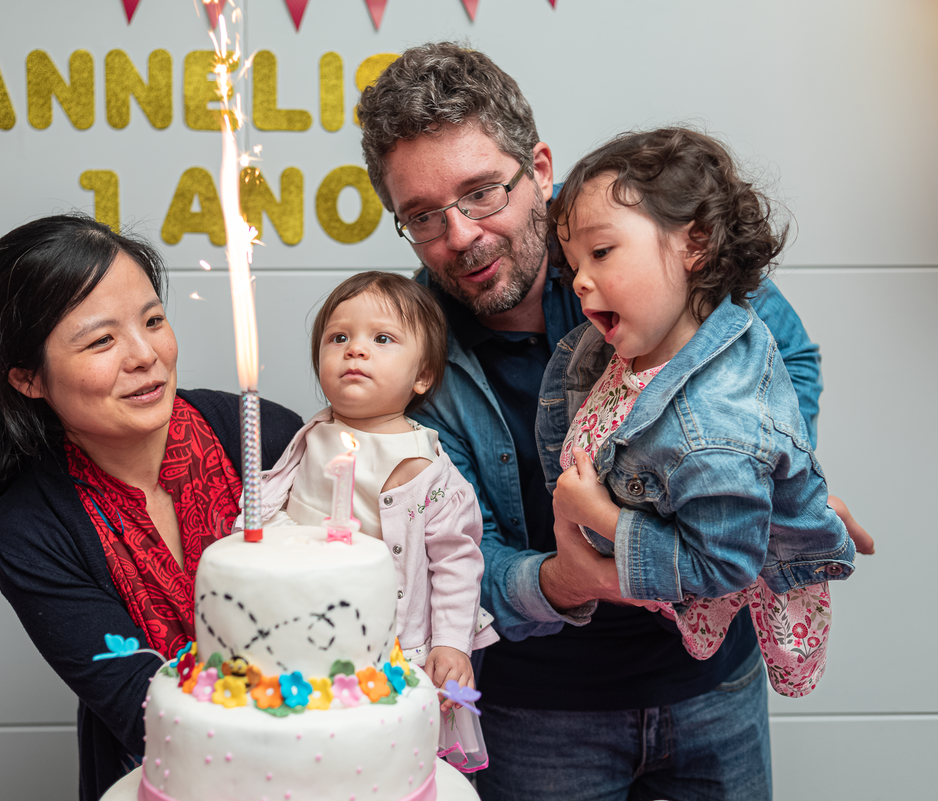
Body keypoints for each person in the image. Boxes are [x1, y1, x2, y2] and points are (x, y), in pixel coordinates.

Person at [356, 42, 873, 799]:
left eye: (481, 193)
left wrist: (763, 477)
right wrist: (563, 582)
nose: (460, 234)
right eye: (424, 216)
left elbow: (783, 353)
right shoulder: (404, 346)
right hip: (537, 717)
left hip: (713, 687)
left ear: (538, 170)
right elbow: (450, 558)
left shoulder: (638, 226)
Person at [0, 214, 302, 801]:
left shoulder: (262, 435)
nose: (145, 355)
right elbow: (140, 705)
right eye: (101, 341)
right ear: (28, 379)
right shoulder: (30, 528)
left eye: (153, 321)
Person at [540, 127, 855, 699]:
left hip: (705, 588)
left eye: (601, 252)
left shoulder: (713, 429)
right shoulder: (652, 337)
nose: (579, 281)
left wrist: (602, 518)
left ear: (696, 245)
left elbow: (723, 568)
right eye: (573, 265)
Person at [249, 270, 497, 771]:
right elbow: (273, 504)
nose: (355, 350)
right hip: (307, 624)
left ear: (422, 376)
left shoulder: (426, 467)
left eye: (382, 339)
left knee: (383, 763)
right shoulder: (313, 435)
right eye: (338, 338)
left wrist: (451, 643)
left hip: (387, 644)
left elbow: (457, 562)